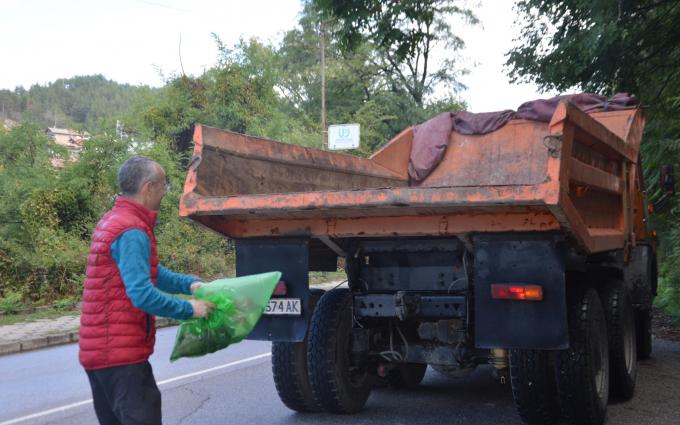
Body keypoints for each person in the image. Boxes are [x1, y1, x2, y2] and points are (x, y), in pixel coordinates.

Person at [78, 155, 214, 425]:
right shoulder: (131, 230)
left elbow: (152, 272)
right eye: (164, 184)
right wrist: (190, 309)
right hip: (121, 357)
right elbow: (141, 293)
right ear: (148, 187)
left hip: (102, 355)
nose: (165, 191)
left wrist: (189, 284)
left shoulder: (115, 220)